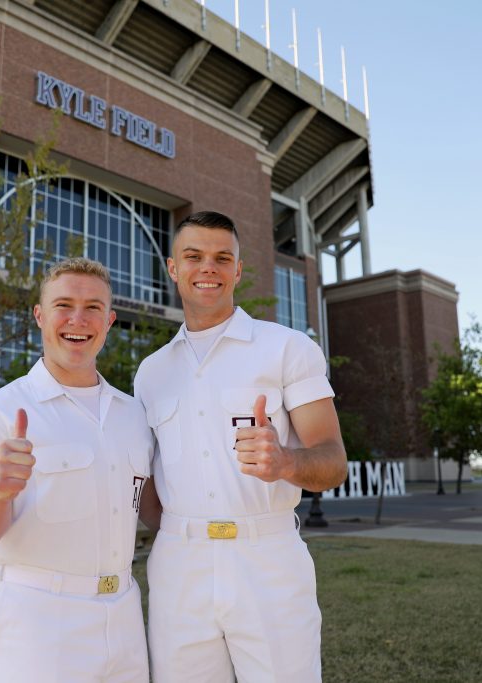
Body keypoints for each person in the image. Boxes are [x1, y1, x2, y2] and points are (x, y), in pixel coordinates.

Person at [134, 211, 348, 683]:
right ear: (173, 268)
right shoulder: (150, 372)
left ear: (237, 270)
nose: (207, 267)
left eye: (221, 258)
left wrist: (286, 461)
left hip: (266, 558)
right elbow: (148, 480)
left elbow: (333, 461)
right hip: (177, 564)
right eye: (194, 256)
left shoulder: (288, 349)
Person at [0, 257, 152, 683]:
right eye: (64, 305)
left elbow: (154, 509)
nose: (78, 319)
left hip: (126, 617)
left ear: (110, 320)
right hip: (40, 624)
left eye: (93, 307)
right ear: (40, 316)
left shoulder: (134, 415)